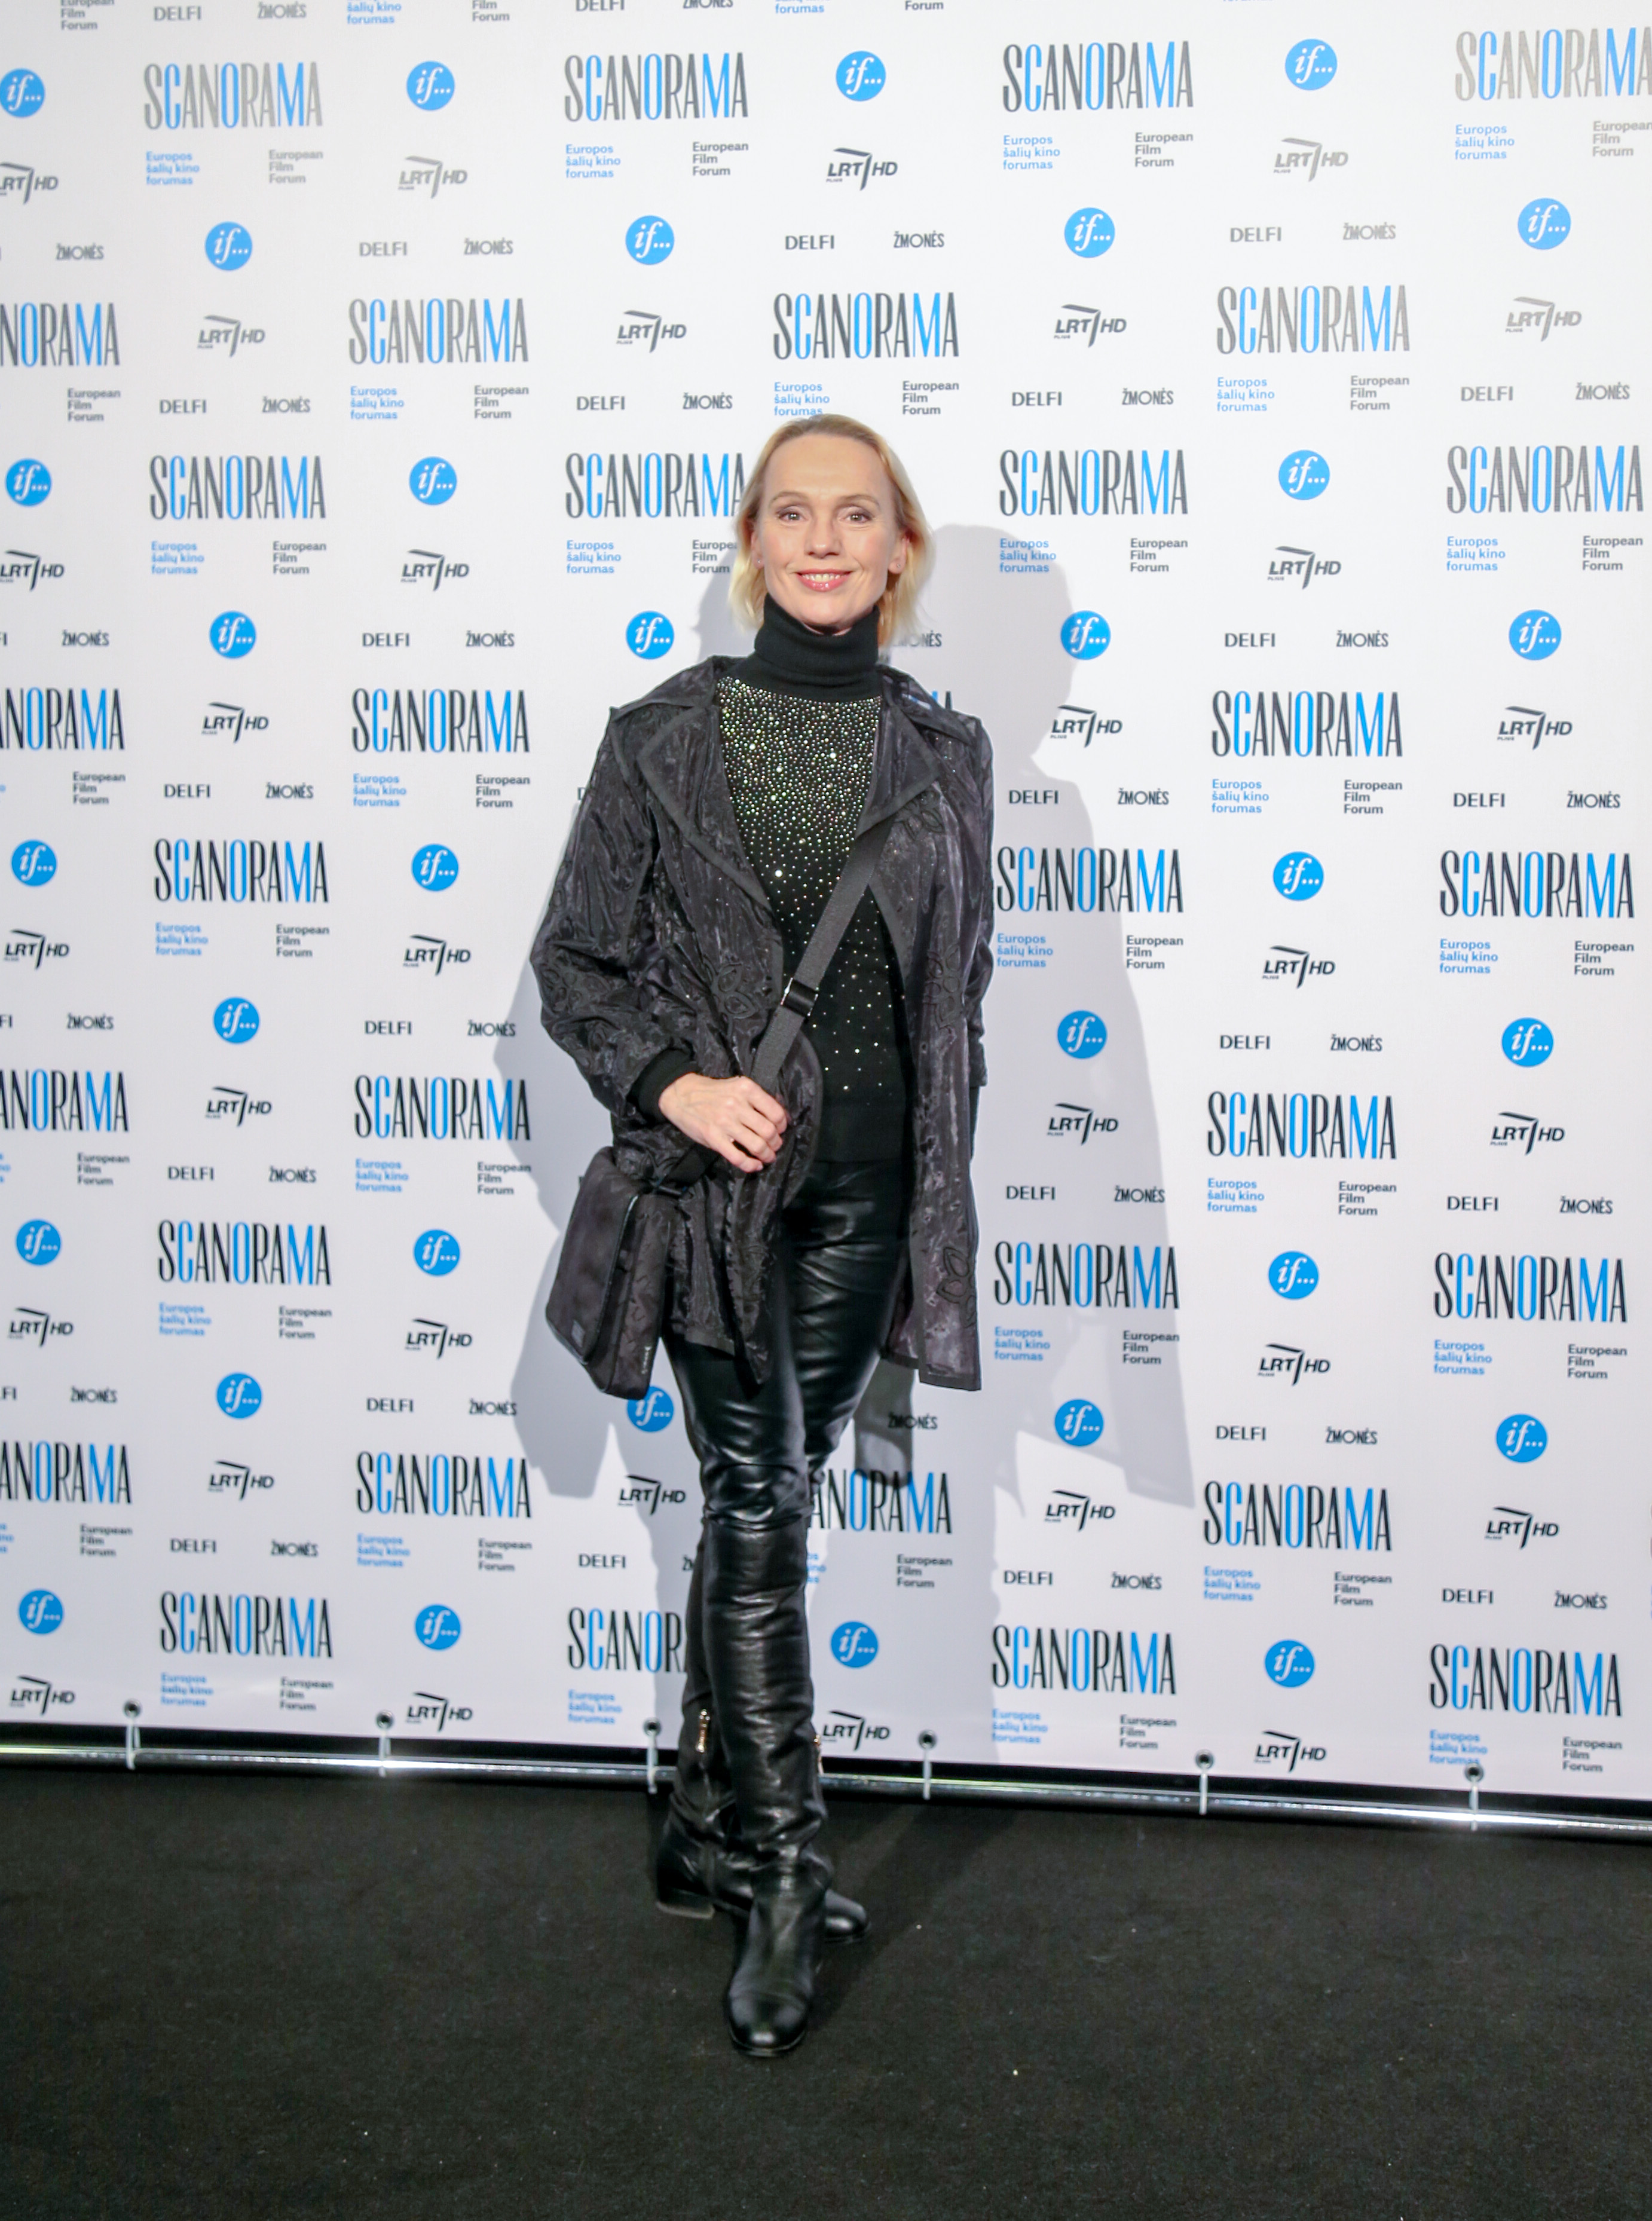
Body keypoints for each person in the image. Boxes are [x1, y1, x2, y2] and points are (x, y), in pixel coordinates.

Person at [532, 415, 992, 2055]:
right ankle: (785, 1870)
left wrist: (934, 1188)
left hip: (870, 1191)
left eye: (853, 515)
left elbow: (956, 991)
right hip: (720, 1194)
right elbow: (575, 962)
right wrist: (678, 1083)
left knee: (773, 1489)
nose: (821, 541)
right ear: (752, 542)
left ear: (897, 549)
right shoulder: (661, 736)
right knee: (755, 1490)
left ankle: (699, 1816)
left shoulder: (946, 755)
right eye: (792, 514)